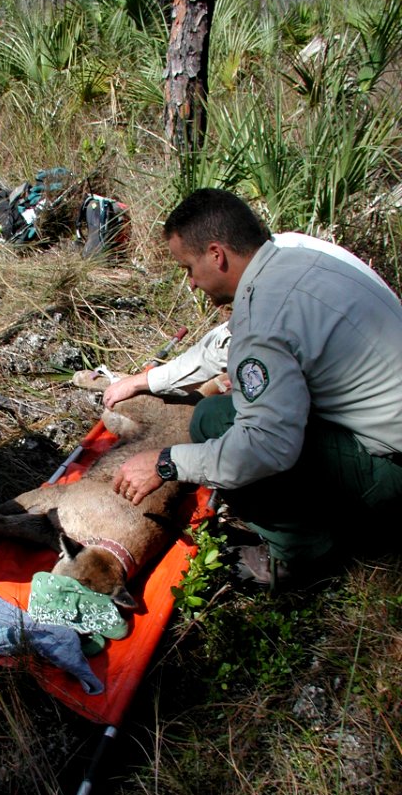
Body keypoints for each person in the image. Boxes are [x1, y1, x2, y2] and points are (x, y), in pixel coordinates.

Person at [112, 188, 402, 588]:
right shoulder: (296, 255)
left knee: (215, 420)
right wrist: (148, 380)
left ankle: (297, 556)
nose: (192, 283)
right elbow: (224, 345)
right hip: (388, 429)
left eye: (188, 269)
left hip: (393, 472)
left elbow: (265, 447)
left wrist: (166, 462)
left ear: (217, 255)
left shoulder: (266, 316)